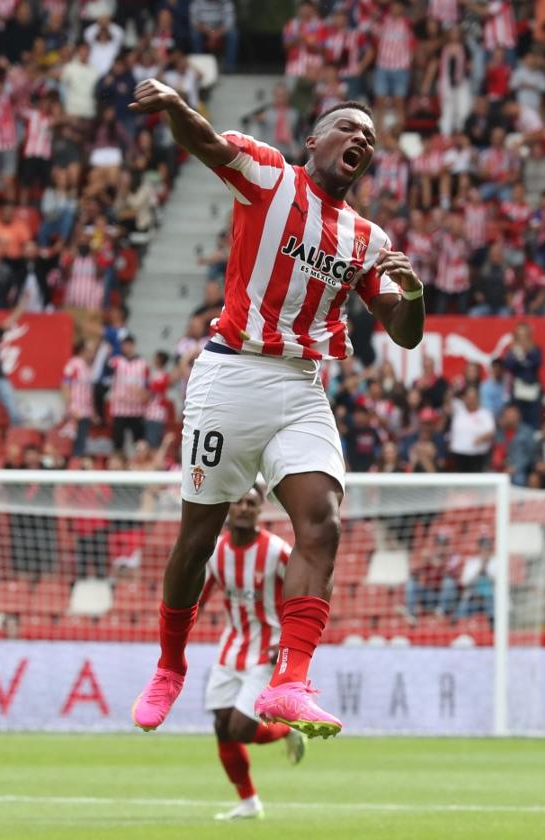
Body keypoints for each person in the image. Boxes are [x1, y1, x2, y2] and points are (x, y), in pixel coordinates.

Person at [126, 81, 425, 737]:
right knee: (198, 537)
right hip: (232, 373)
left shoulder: (366, 238)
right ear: (314, 140)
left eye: (370, 139)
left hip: (301, 387)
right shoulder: (269, 176)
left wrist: (415, 298)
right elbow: (204, 141)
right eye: (349, 128)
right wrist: (178, 107)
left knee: (322, 523)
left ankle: (290, 682)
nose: (362, 141)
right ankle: (171, 664)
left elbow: (401, 329)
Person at [200, 485, 305, 822]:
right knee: (221, 726)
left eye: (252, 503)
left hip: (268, 651)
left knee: (241, 729)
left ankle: (287, 729)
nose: (245, 508)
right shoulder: (215, 552)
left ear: (260, 510)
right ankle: (248, 803)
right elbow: (196, 598)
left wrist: (290, 641)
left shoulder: (277, 551)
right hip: (231, 649)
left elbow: (303, 595)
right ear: (228, 507)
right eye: (239, 502)